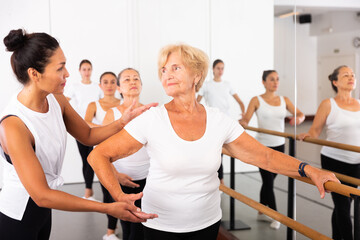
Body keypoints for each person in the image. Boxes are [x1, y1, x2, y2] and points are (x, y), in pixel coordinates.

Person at [88, 43, 339, 240]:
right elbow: (98, 155)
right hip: (161, 225)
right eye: (163, 70)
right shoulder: (152, 119)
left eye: (175, 67)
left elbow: (265, 156)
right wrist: (118, 195)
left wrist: (309, 170)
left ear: (197, 75)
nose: (167, 74)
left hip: (206, 224)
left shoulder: (219, 120)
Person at [0, 29, 157, 240]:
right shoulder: (14, 125)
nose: (67, 74)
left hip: (44, 210)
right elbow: (42, 196)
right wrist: (107, 208)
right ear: (34, 74)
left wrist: (122, 121)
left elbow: (88, 135)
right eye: (60, 68)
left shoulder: (56, 99)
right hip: (18, 214)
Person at [298, 65, 360, 240]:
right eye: (346, 75)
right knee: (342, 206)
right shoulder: (328, 104)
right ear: (335, 82)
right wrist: (308, 135)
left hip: (356, 162)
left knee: (345, 203)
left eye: (353, 75)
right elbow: (315, 131)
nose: (351, 77)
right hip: (334, 161)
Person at [240, 70, 305, 229]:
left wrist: (299, 118)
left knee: (269, 180)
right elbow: (246, 120)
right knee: (268, 182)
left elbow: (300, 113)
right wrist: (240, 123)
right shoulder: (256, 100)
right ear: (263, 82)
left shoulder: (284, 100)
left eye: (277, 79)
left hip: (279, 146)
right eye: (271, 79)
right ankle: (276, 216)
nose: (275, 82)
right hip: (262, 147)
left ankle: (262, 207)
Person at [102, 68, 150, 240]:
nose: (132, 82)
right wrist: (116, 175)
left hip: (148, 179)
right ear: (119, 88)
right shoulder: (112, 114)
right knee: (127, 225)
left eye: (136, 78)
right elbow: (99, 151)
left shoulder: (151, 113)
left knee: (140, 227)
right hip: (121, 180)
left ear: (141, 85)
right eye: (127, 79)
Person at [84, 72, 122, 240]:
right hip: (103, 155)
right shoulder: (94, 104)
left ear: (117, 85)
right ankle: (110, 231)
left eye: (113, 82)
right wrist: (108, 128)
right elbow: (85, 123)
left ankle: (129, 227)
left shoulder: (124, 103)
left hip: (123, 153)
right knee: (109, 193)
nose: (109, 85)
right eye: (105, 82)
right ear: (100, 85)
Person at [197, 59, 245, 184]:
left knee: (221, 153)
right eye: (218, 68)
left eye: (222, 68)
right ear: (213, 69)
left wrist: (244, 115)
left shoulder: (227, 84)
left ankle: (220, 181)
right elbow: (196, 102)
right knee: (216, 153)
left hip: (226, 123)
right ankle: (218, 180)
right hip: (212, 123)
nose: (220, 71)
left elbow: (240, 101)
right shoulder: (206, 85)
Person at [65, 59, 103, 200]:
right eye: (84, 69)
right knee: (85, 159)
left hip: (95, 127)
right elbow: (64, 102)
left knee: (92, 158)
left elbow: (103, 104)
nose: (87, 72)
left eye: (89, 69)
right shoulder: (74, 86)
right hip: (79, 126)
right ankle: (89, 190)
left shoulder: (97, 87)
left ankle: (88, 191)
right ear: (80, 71)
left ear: (91, 71)